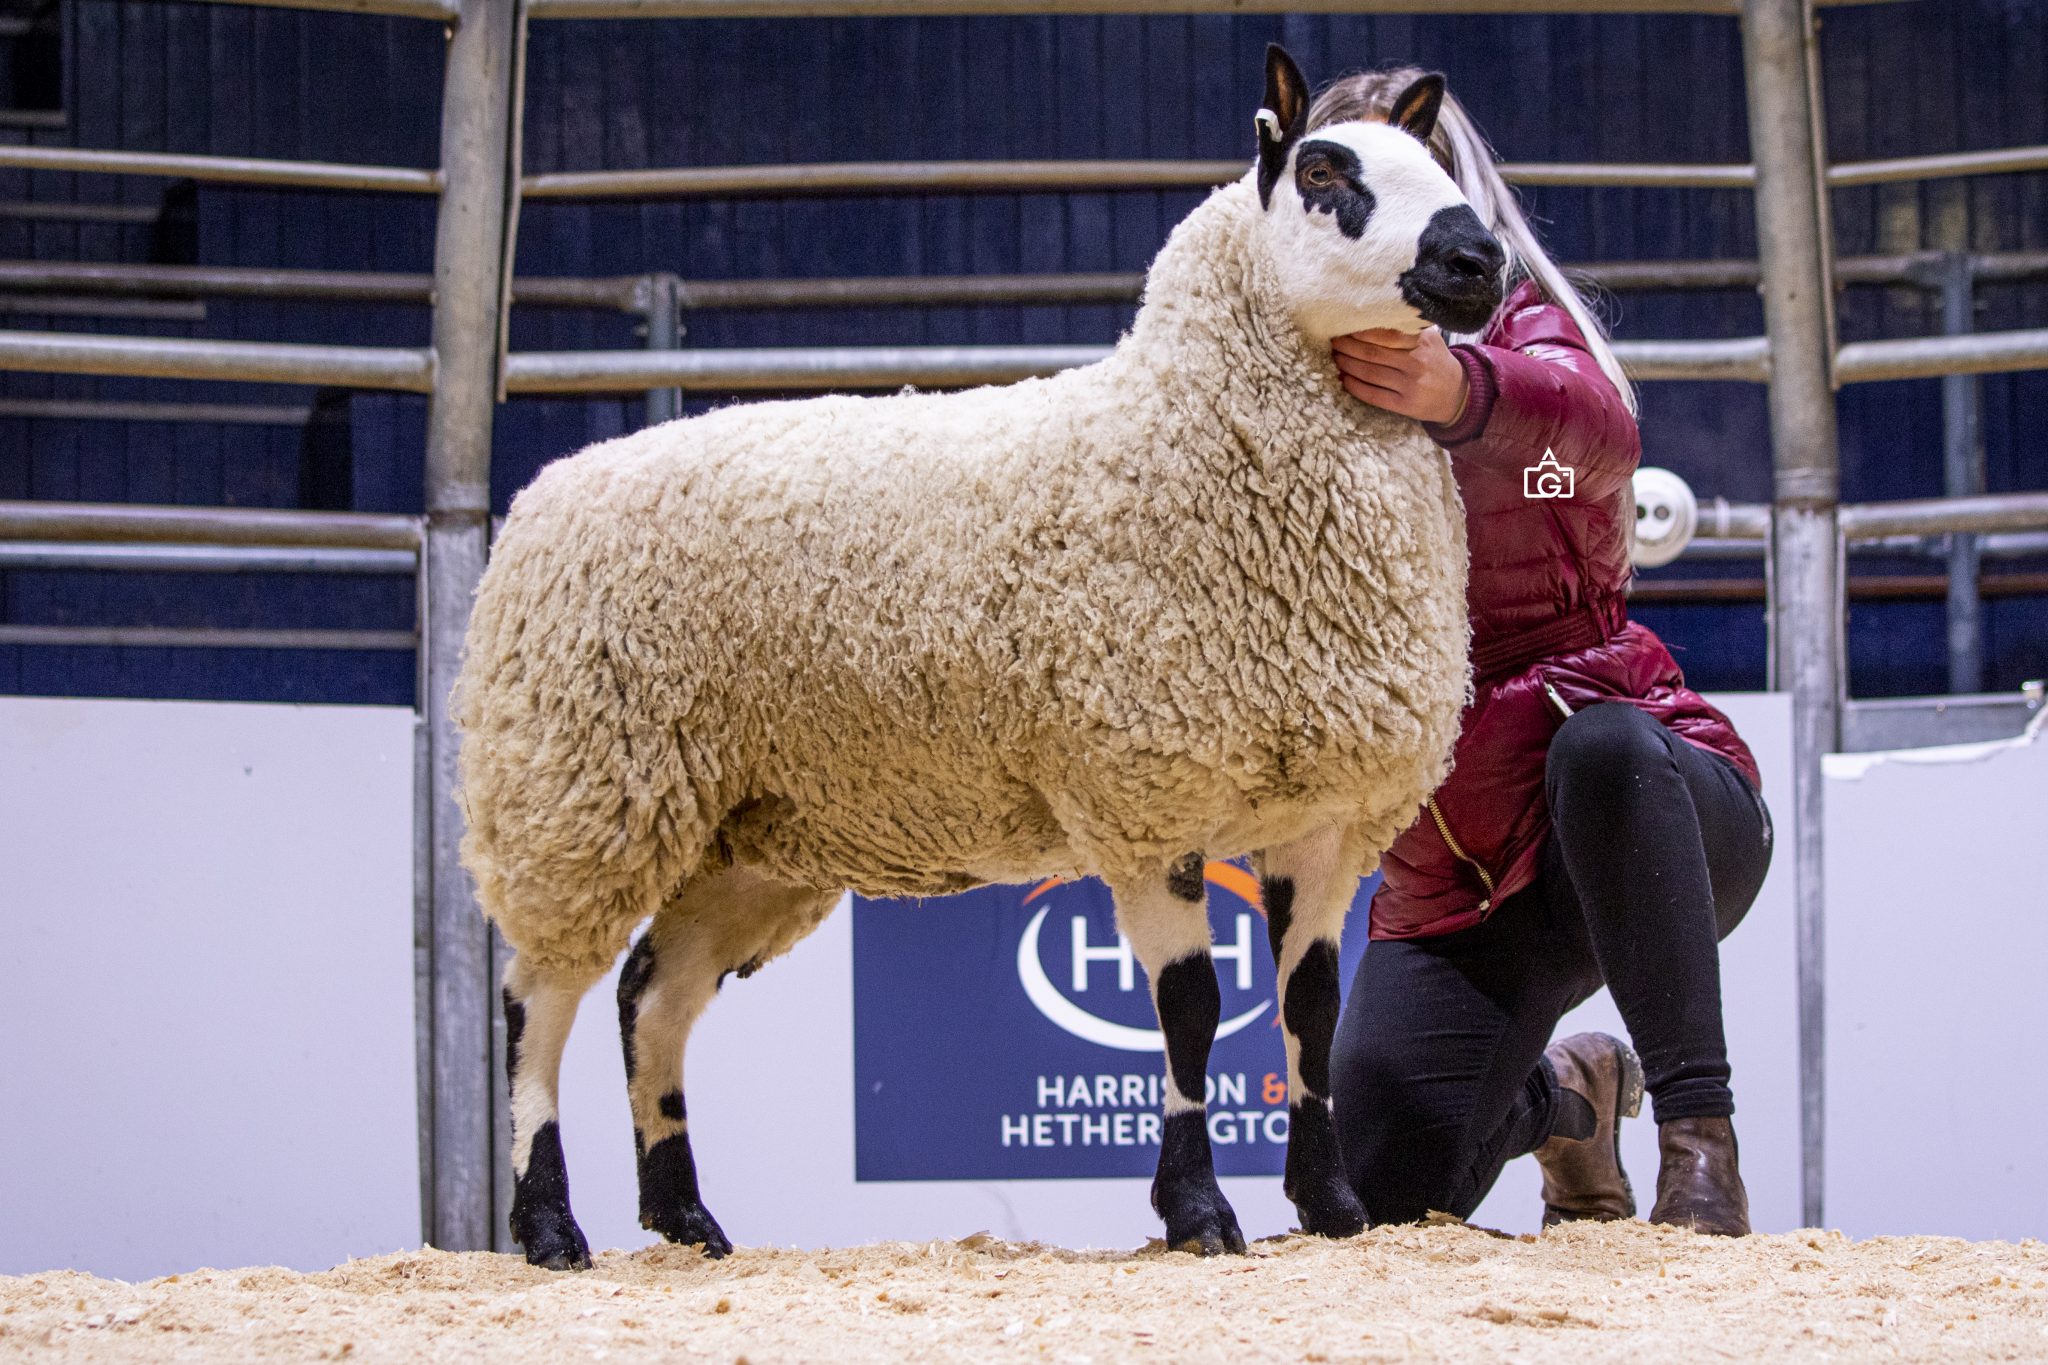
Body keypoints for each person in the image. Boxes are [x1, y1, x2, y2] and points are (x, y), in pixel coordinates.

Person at [1314, 68, 1775, 1236]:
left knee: (1603, 751)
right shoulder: (1287, 377)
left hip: (1642, 810)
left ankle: (1699, 1145)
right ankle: (1570, 1101)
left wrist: (1460, 393)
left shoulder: (1517, 324)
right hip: (1459, 871)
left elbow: (1594, 450)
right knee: (1371, 1196)